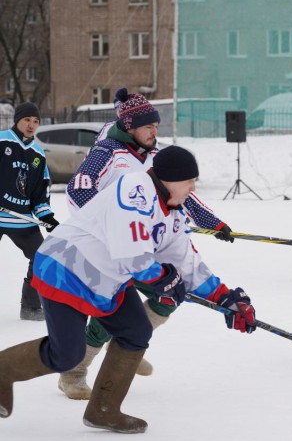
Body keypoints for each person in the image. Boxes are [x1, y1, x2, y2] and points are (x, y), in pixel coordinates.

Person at [0, 146, 256, 434]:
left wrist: (225, 298)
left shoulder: (170, 212)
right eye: (189, 181)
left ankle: (104, 410)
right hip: (65, 270)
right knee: (67, 355)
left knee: (136, 330)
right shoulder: (134, 190)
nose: (193, 188)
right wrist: (163, 279)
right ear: (170, 179)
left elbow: (187, 263)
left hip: (103, 279)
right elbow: (133, 256)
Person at [58, 88, 235, 399]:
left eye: (156, 126)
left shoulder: (155, 156)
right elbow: (78, 190)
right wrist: (111, 227)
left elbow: (184, 193)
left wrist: (213, 222)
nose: (155, 131)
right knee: (112, 308)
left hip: (152, 245)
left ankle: (125, 345)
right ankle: (74, 372)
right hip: (113, 248)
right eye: (148, 127)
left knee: (171, 294)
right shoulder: (107, 152)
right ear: (129, 127)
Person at [0, 102, 60, 321]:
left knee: (42, 256)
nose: (31, 125)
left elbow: (39, 194)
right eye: (27, 120)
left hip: (21, 220)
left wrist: (47, 217)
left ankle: (31, 306)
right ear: (17, 120)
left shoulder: (37, 154)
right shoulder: (2, 140)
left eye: (35, 121)